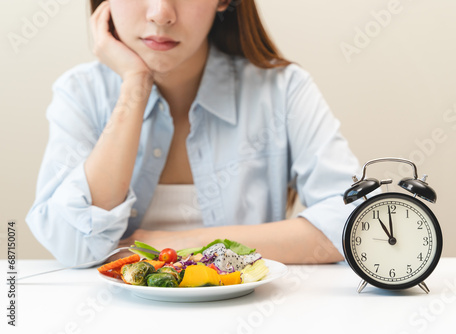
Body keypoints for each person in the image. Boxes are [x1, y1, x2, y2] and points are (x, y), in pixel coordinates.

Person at [26, 0, 361, 266]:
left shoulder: (284, 90)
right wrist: (135, 87)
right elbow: (71, 243)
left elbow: (354, 219)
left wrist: (193, 244)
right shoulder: (81, 92)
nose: (161, 13)